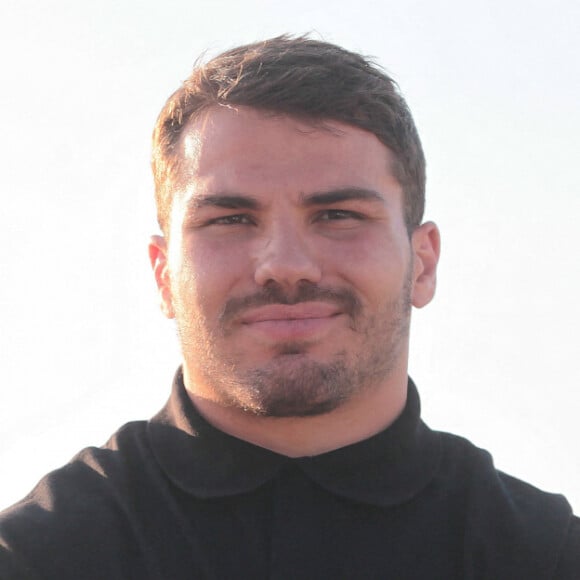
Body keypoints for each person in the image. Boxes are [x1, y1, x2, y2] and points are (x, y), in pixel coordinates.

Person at [0, 35, 578, 579]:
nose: (285, 264)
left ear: (422, 263)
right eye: (230, 219)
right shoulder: (38, 557)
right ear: (164, 275)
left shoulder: (545, 557)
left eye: (338, 215)